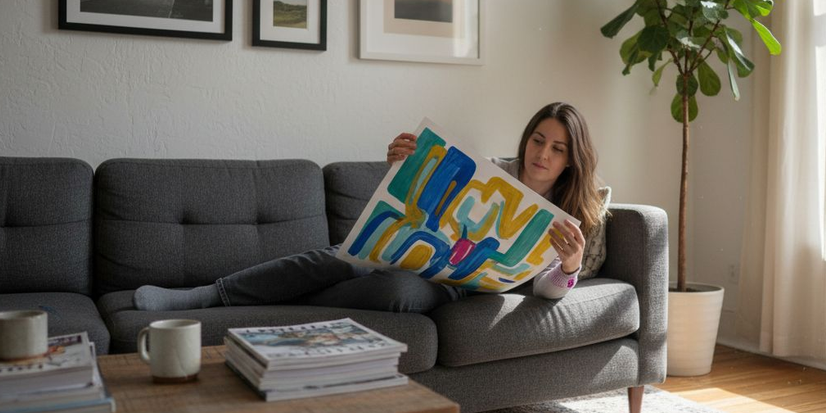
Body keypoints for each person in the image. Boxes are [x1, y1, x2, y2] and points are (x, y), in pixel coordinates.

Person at [133, 102, 606, 314]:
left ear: (572, 158)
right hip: (414, 250)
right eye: (538, 140)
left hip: (462, 290)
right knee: (342, 256)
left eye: (558, 149)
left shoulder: (574, 216)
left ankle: (280, 300)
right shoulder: (493, 173)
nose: (542, 154)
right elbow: (423, 206)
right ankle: (209, 295)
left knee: (396, 294)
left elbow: (545, 291)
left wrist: (569, 265)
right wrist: (405, 168)